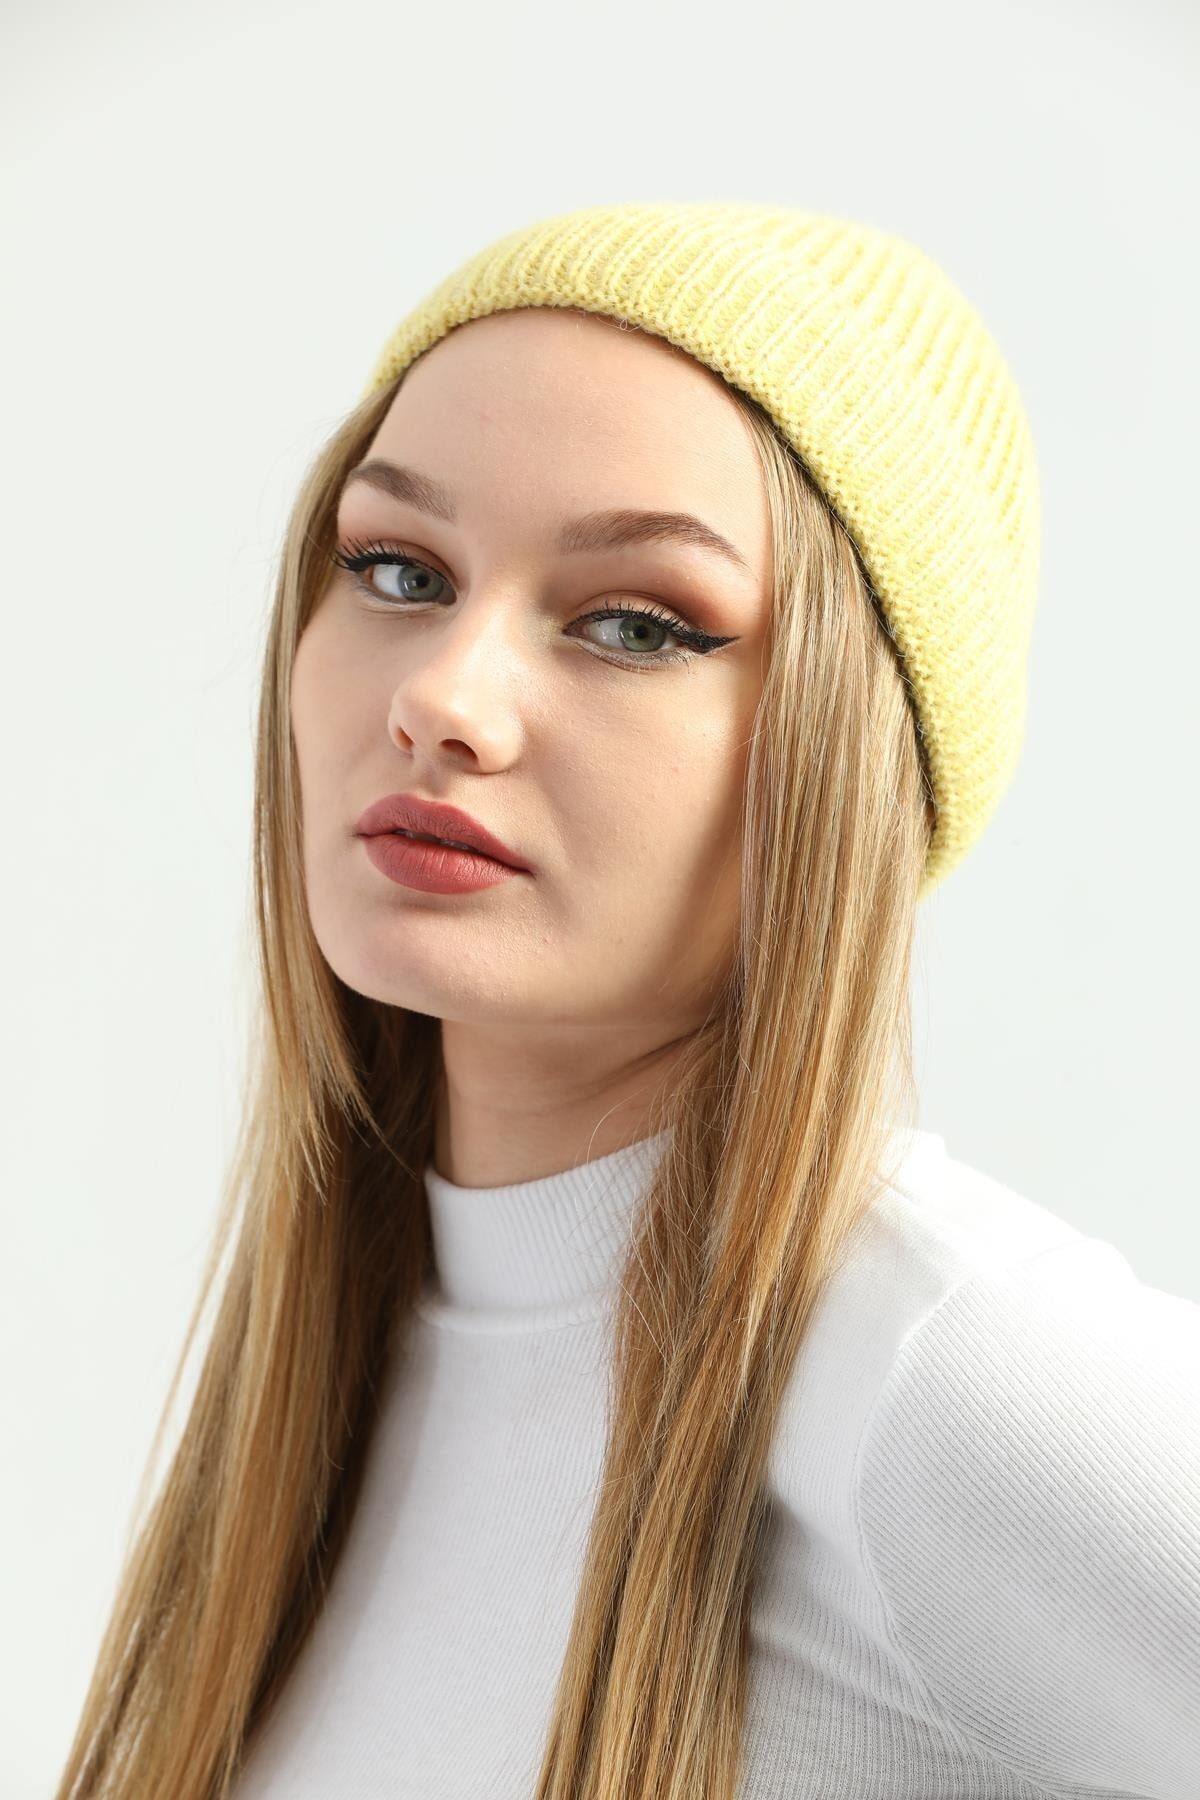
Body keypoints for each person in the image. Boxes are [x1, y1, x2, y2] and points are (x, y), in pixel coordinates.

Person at [55, 203, 1200, 1800]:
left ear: (850, 763)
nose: (442, 698)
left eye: (636, 624)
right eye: (399, 568)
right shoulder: (333, 1386)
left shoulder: (948, 1389)